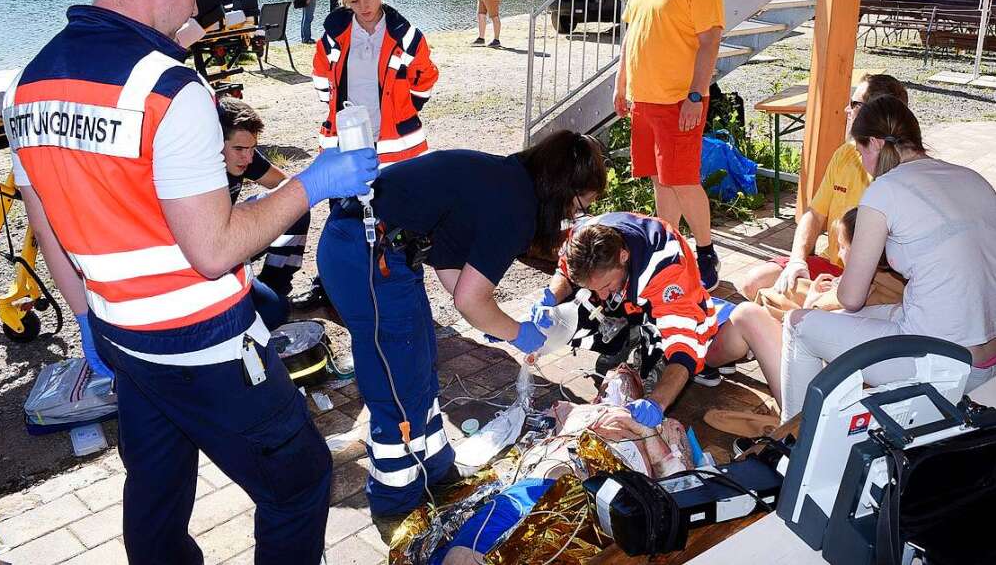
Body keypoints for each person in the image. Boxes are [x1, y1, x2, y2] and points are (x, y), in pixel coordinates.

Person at [1, 0, 379, 565]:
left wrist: (89, 319)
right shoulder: (171, 91)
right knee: (299, 483)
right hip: (206, 345)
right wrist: (314, 180)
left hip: (123, 340)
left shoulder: (27, 85)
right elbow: (214, 249)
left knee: (157, 488)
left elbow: (46, 219)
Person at [315, 130, 608, 520]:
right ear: (562, 188)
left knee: (418, 362)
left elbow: (450, 265)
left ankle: (436, 469)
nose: (575, 216)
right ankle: (396, 501)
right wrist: (516, 332)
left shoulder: (503, 179)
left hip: (379, 251)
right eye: (579, 205)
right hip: (365, 255)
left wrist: (493, 322)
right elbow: (471, 300)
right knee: (397, 381)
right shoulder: (516, 208)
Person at [781, 96, 996, 420]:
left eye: (861, 152)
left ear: (877, 144)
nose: (864, 164)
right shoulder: (972, 178)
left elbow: (851, 298)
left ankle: (792, 439)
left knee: (798, 324)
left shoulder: (884, 190)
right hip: (988, 354)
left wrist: (822, 297)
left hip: (938, 360)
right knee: (865, 315)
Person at [613, 0, 724, 291]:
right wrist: (621, 82)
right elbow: (632, 36)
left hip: (680, 100)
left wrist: (696, 94)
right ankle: (668, 247)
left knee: (682, 180)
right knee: (660, 179)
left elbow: (710, 41)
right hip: (644, 99)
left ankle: (706, 251)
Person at [704, 206, 904, 409]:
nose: (839, 252)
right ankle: (719, 356)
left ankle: (703, 361)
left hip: (823, 403)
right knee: (754, 319)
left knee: (745, 314)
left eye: (842, 247)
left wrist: (812, 302)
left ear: (863, 253)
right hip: (866, 385)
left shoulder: (856, 292)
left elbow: (804, 328)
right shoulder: (903, 284)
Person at [738, 73, 909, 301]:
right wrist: (798, 259)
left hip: (874, 282)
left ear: (875, 114)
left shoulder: (904, 175)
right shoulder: (845, 154)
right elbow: (815, 214)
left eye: (854, 104)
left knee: (779, 301)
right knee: (754, 283)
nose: (846, 110)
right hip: (832, 266)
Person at [535, 212, 721, 413]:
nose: (603, 297)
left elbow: (683, 343)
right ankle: (625, 338)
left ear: (623, 256)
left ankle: (648, 345)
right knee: (564, 315)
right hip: (631, 295)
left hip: (668, 306)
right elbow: (564, 270)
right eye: (596, 288)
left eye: (606, 284)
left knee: (658, 378)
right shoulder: (582, 241)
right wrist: (550, 299)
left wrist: (658, 403)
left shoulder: (665, 264)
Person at [313, 0, 438, 165]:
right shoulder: (331, 38)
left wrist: (403, 108)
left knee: (399, 195)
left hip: (398, 143)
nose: (363, 7)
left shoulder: (408, 36)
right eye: (354, 1)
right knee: (347, 197)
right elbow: (320, 78)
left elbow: (425, 79)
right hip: (347, 136)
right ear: (345, 0)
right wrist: (336, 105)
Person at [218, 97, 320, 330]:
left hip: (231, 242)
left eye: (253, 148)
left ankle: (276, 286)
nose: (248, 157)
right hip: (207, 258)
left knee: (294, 206)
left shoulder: (245, 157)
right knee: (274, 315)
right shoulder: (197, 169)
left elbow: (288, 187)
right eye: (239, 149)